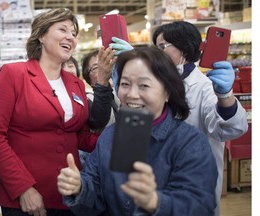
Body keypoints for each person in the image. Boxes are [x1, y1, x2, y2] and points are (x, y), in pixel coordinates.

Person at [0, 8, 115, 216]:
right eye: (62, 29)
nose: (70, 37)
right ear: (41, 36)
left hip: (69, 195)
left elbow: (79, 136)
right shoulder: (14, 75)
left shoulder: (75, 84)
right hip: (26, 199)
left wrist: (118, 141)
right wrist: (23, 188)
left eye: (73, 33)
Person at [57, 47, 218, 216]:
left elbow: (201, 205)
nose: (132, 94)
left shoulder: (189, 142)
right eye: (125, 84)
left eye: (144, 85)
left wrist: (155, 202)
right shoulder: (109, 137)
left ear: (168, 92)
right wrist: (79, 187)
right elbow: (96, 193)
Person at [109, 21, 248, 216]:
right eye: (155, 48)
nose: (157, 53)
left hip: (189, 184)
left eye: (162, 47)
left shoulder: (205, 86)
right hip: (148, 181)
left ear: (184, 47)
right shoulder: (154, 83)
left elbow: (230, 129)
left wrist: (225, 96)